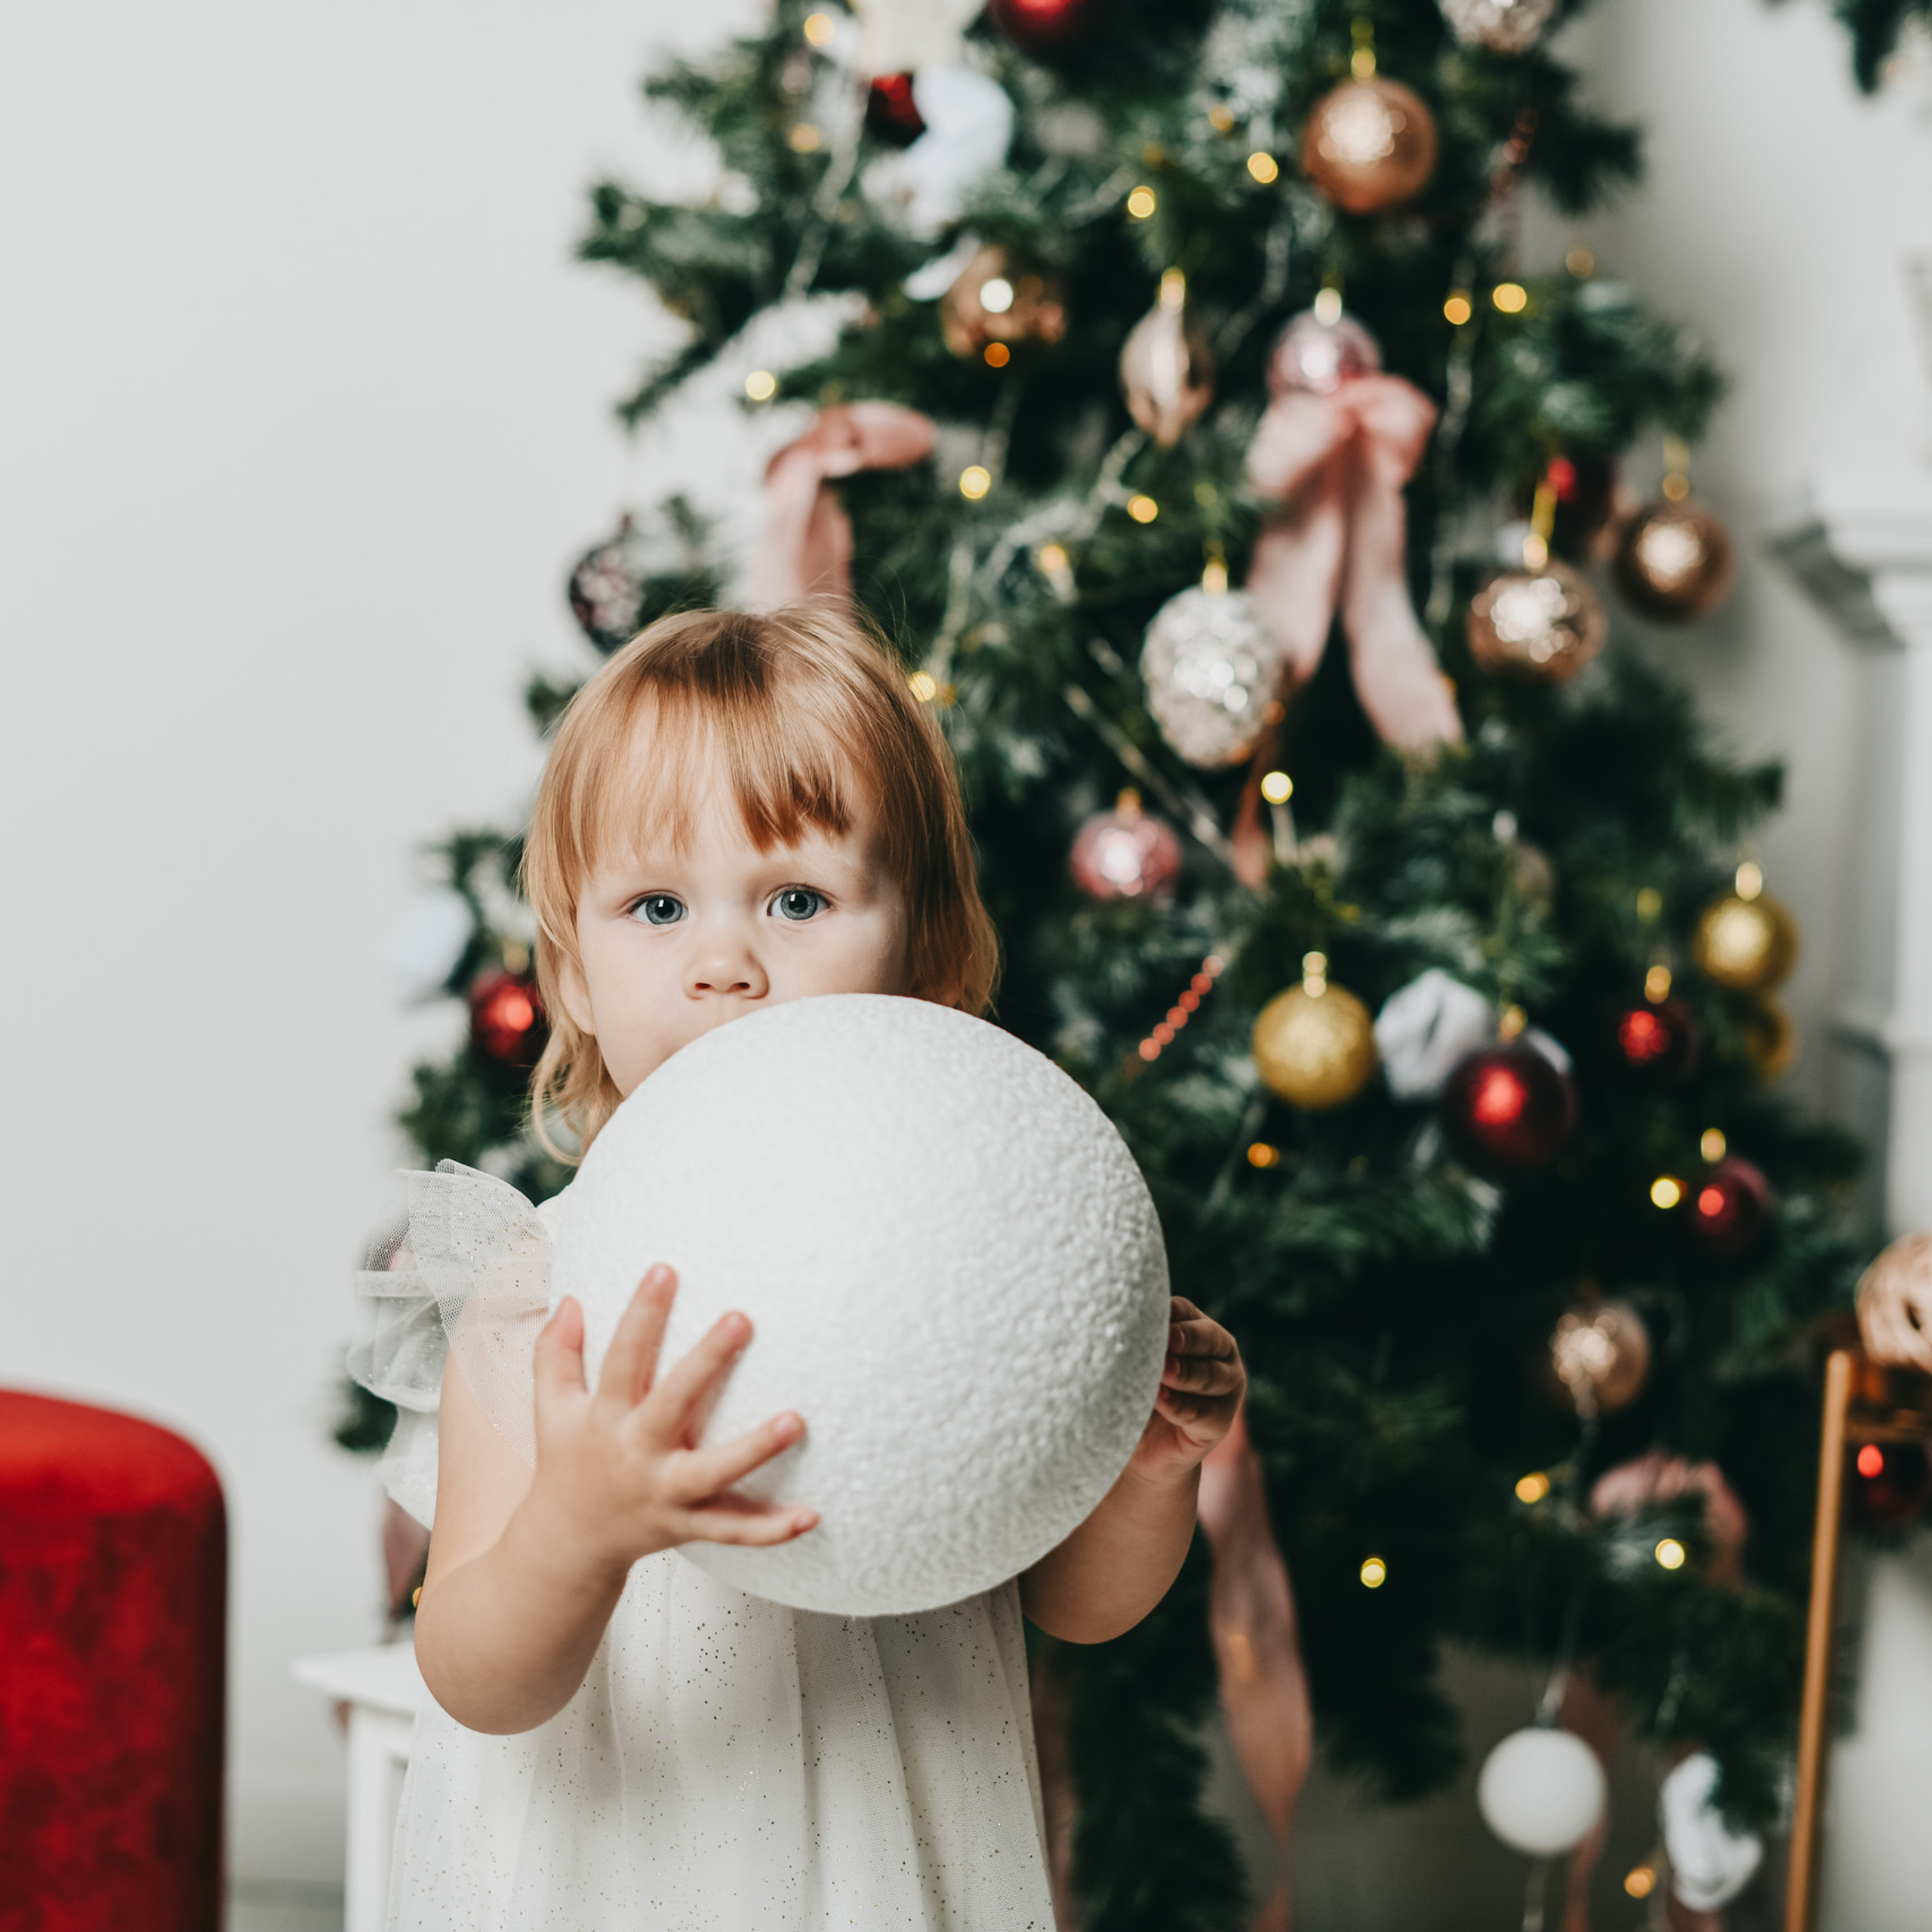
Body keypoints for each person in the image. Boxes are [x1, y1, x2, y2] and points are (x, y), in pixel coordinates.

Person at [354, 605, 1246, 1928]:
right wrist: (577, 1535)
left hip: (895, 1866)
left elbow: (1078, 1607)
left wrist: (1146, 1471)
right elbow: (475, 1674)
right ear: (577, 978)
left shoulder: (979, 1268)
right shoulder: (549, 1292)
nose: (724, 963)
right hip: (620, 1875)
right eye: (656, 906)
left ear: (929, 959)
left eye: (798, 899)